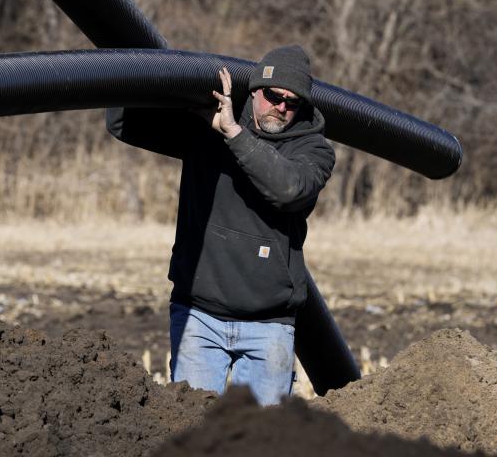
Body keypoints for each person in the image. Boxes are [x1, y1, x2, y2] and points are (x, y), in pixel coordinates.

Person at [106, 45, 335, 406]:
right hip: (200, 317)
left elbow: (288, 190)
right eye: (274, 96)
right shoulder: (205, 128)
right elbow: (121, 122)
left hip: (269, 325)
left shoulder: (312, 150)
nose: (281, 107)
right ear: (256, 90)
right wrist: (152, 80)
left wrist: (233, 133)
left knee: (259, 441)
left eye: (293, 102)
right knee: (193, 432)